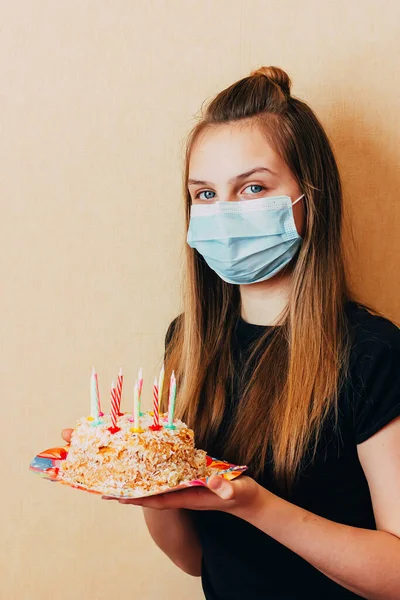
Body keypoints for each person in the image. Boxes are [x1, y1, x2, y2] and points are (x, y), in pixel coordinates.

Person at [62, 66, 400, 599]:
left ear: (311, 196)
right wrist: (144, 482)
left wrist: (252, 502)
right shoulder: (189, 342)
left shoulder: (371, 352)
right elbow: (194, 560)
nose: (224, 215)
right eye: (205, 194)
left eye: (253, 187)